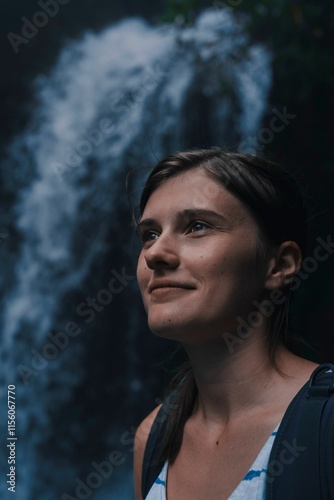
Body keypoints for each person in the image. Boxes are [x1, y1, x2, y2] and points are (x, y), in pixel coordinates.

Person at [133, 148, 320, 500]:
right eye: (150, 233)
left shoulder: (324, 425)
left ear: (279, 265)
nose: (154, 253)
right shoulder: (153, 438)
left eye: (197, 226)